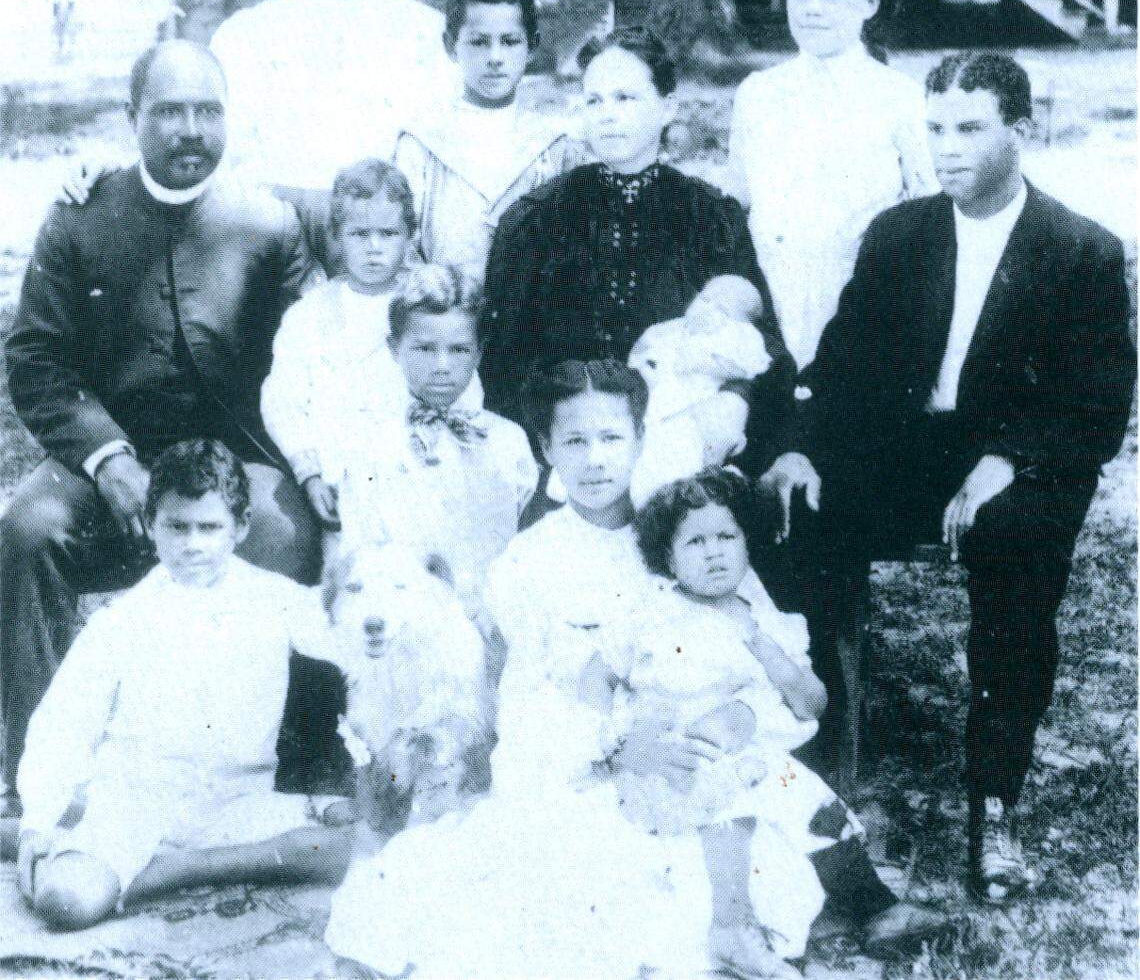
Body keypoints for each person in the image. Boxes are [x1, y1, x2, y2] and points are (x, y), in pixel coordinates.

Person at [324, 361, 946, 978]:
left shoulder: (686, 534)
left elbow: (762, 650)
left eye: (611, 438)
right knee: (602, 890)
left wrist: (744, 716)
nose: (594, 460)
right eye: (574, 441)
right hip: (588, 769)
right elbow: (539, 697)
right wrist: (624, 750)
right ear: (545, 449)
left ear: (640, 441)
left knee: (778, 802)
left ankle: (865, 903)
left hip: (712, 752)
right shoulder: (530, 561)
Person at [762, 52, 1135, 904]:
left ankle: (993, 798)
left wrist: (1008, 458)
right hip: (908, 449)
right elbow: (844, 363)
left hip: (1023, 454)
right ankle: (817, 771)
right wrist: (802, 446)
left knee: (1014, 546)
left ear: (1021, 130)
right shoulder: (902, 233)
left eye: (970, 128)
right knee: (794, 508)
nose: (947, 148)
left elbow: (1098, 406)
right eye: (935, 128)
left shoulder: (1079, 249)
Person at [1, 40, 324, 795]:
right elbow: (36, 358)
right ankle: (43, 768)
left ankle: (284, 762)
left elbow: (318, 349)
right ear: (131, 118)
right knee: (26, 531)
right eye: (169, 111)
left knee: (286, 530)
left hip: (233, 458)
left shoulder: (269, 220)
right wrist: (109, 458)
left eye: (207, 111)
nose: (190, 130)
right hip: (111, 459)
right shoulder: (79, 218)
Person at [15, 440, 352, 931]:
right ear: (151, 527)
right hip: (138, 802)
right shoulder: (123, 620)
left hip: (239, 802)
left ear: (239, 529)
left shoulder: (278, 600)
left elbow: (349, 657)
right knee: (66, 901)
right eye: (177, 527)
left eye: (209, 527)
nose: (193, 545)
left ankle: (170, 873)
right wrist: (38, 819)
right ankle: (96, 849)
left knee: (363, 847)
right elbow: (65, 721)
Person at [481, 28, 796, 478]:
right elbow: (502, 363)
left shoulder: (709, 217)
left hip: (679, 461)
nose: (607, 116)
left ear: (667, 107)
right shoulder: (537, 219)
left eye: (625, 98)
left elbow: (766, 351)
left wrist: (732, 402)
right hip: (561, 461)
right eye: (595, 101)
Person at [581, 470, 837, 976]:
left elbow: (812, 703)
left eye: (727, 536)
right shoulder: (649, 612)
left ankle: (840, 905)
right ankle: (733, 931)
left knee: (796, 798)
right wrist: (619, 738)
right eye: (694, 542)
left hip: (737, 753)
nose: (715, 552)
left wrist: (759, 642)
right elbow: (594, 682)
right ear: (667, 557)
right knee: (724, 784)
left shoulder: (765, 622)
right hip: (661, 756)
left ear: (746, 541)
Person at [209, 0, 453, 264]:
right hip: (274, 239)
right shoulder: (252, 31)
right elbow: (223, 152)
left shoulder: (429, 33)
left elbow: (442, 157)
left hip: (379, 243)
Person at [728, 0, 938, 370]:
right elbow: (741, 209)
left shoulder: (901, 98)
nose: (812, 9)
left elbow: (931, 217)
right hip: (773, 307)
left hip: (865, 313)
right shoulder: (758, 93)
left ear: (870, 2)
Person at [335, 264, 537, 609]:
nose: (442, 365)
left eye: (459, 349)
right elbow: (363, 551)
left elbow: (522, 543)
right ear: (394, 348)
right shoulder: (370, 444)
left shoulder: (508, 441)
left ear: (479, 352)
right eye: (425, 349)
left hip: (493, 621)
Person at [261, 159, 416, 553]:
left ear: (409, 237)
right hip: (339, 475)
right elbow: (284, 402)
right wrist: (310, 473)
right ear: (336, 236)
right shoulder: (310, 316)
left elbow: (460, 387)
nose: (374, 247)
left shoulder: (425, 308)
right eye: (359, 233)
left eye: (388, 233)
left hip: (417, 473)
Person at [394, 0, 589, 277]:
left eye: (510, 41)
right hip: (443, 314)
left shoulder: (555, 145)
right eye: (479, 42)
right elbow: (401, 247)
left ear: (532, 47)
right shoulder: (422, 142)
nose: (495, 57)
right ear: (450, 46)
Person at [627, 274, 773, 506]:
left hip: (695, 410)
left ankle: (654, 499)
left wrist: (708, 362)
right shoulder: (671, 329)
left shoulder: (739, 337)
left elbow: (754, 365)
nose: (708, 309)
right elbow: (640, 352)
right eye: (705, 299)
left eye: (723, 311)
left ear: (742, 324)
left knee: (678, 457)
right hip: (655, 400)